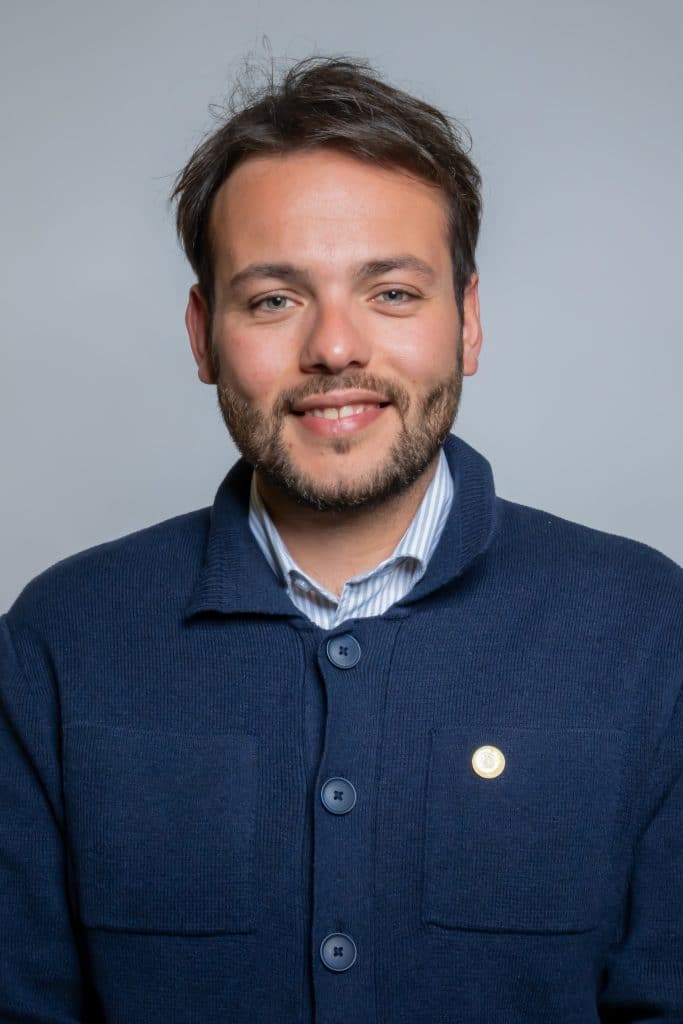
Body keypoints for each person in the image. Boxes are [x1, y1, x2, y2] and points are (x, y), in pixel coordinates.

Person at [1, 53, 681, 1024]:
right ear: (202, 334)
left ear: (467, 321)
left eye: (391, 292)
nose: (332, 347)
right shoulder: (57, 640)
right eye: (273, 299)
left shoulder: (648, 629)